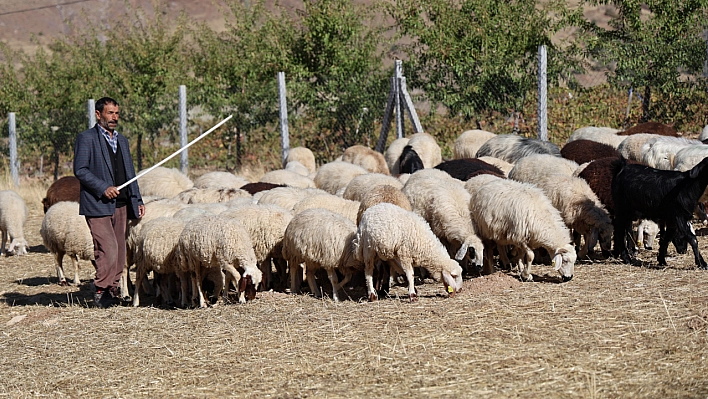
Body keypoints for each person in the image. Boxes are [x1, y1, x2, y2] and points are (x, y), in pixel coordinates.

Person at [74, 97, 145, 308]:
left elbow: (130, 173)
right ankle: (100, 290)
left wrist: (137, 199)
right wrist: (102, 188)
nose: (114, 117)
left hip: (121, 203)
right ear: (98, 114)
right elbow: (81, 170)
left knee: (120, 251)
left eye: (116, 113)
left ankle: (112, 290)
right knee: (107, 248)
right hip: (98, 203)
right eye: (110, 113)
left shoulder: (121, 140)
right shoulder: (86, 139)